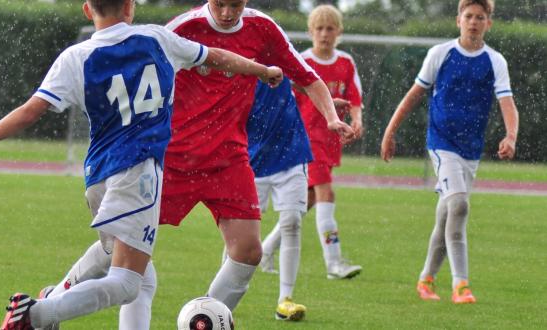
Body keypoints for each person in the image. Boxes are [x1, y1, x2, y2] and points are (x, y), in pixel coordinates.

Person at [0, 0, 283, 329]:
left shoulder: (75, 57)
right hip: (137, 176)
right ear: (130, 7)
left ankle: (53, 297)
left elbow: (29, 111)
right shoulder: (156, 39)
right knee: (126, 283)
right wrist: (263, 70)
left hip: (97, 178)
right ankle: (34, 315)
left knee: (142, 277)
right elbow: (216, 57)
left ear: (87, 9)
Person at [159, 0, 353, 316]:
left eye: (234, 5)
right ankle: (62, 296)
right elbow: (142, 73)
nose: (226, 13)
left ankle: (216, 316)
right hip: (187, 157)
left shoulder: (264, 32)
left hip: (244, 157)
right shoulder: (184, 28)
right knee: (128, 242)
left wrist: (330, 115)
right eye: (219, 4)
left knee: (258, 243)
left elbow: (306, 79)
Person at [381, 0, 518, 304]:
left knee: (446, 217)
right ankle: (461, 285)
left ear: (488, 23)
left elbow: (507, 102)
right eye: (468, 16)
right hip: (441, 144)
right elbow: (413, 95)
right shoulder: (440, 54)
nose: (473, 22)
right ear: (458, 20)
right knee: (459, 206)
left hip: (471, 151)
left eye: (480, 17)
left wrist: (511, 136)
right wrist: (390, 132)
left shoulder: (495, 61)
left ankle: (426, 280)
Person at [265, 4, 364, 280]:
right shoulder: (302, 61)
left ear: (339, 32)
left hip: (331, 140)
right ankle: (334, 263)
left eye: (329, 28)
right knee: (326, 194)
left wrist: (357, 120)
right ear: (310, 32)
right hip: (307, 140)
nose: (324, 34)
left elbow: (355, 98)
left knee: (305, 202)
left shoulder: (346, 62)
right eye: (318, 28)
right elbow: (287, 100)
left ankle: (265, 250)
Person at [245, 77, 314, 320]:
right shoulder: (234, 57)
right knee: (239, 233)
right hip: (250, 160)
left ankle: (285, 300)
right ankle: (221, 301)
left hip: (290, 155)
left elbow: (305, 78)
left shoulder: (278, 48)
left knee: (292, 222)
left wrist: (326, 105)